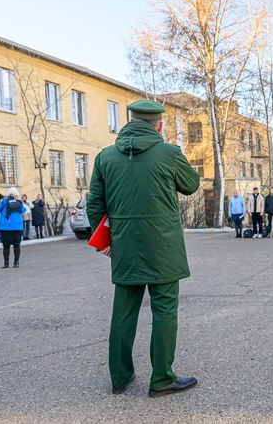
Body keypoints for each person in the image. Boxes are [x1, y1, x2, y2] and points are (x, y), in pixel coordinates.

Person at [87, 100, 201, 397]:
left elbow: (95, 204)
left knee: (123, 311)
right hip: (163, 246)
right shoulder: (170, 153)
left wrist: (105, 243)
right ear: (159, 125)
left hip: (124, 246)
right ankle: (162, 378)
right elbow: (190, 185)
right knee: (164, 309)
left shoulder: (105, 157)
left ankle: (120, 377)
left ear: (130, 121)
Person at [0, 188, 26, 268]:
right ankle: (6, 263)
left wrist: (16, 201)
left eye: (14, 195)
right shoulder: (3, 203)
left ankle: (16, 262)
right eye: (11, 195)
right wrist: (5, 200)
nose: (12, 197)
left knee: (16, 245)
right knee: (6, 246)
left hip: (16, 227)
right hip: (5, 227)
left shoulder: (18, 203)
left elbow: (23, 210)